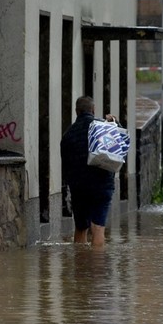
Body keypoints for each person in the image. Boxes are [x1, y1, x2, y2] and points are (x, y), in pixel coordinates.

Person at [60, 96, 118, 247]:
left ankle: (81, 267)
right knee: (98, 228)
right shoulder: (102, 126)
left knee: (80, 228)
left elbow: (65, 166)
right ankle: (96, 267)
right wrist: (115, 123)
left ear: (76, 111)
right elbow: (117, 149)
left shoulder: (68, 135)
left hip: (79, 187)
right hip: (102, 185)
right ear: (93, 110)